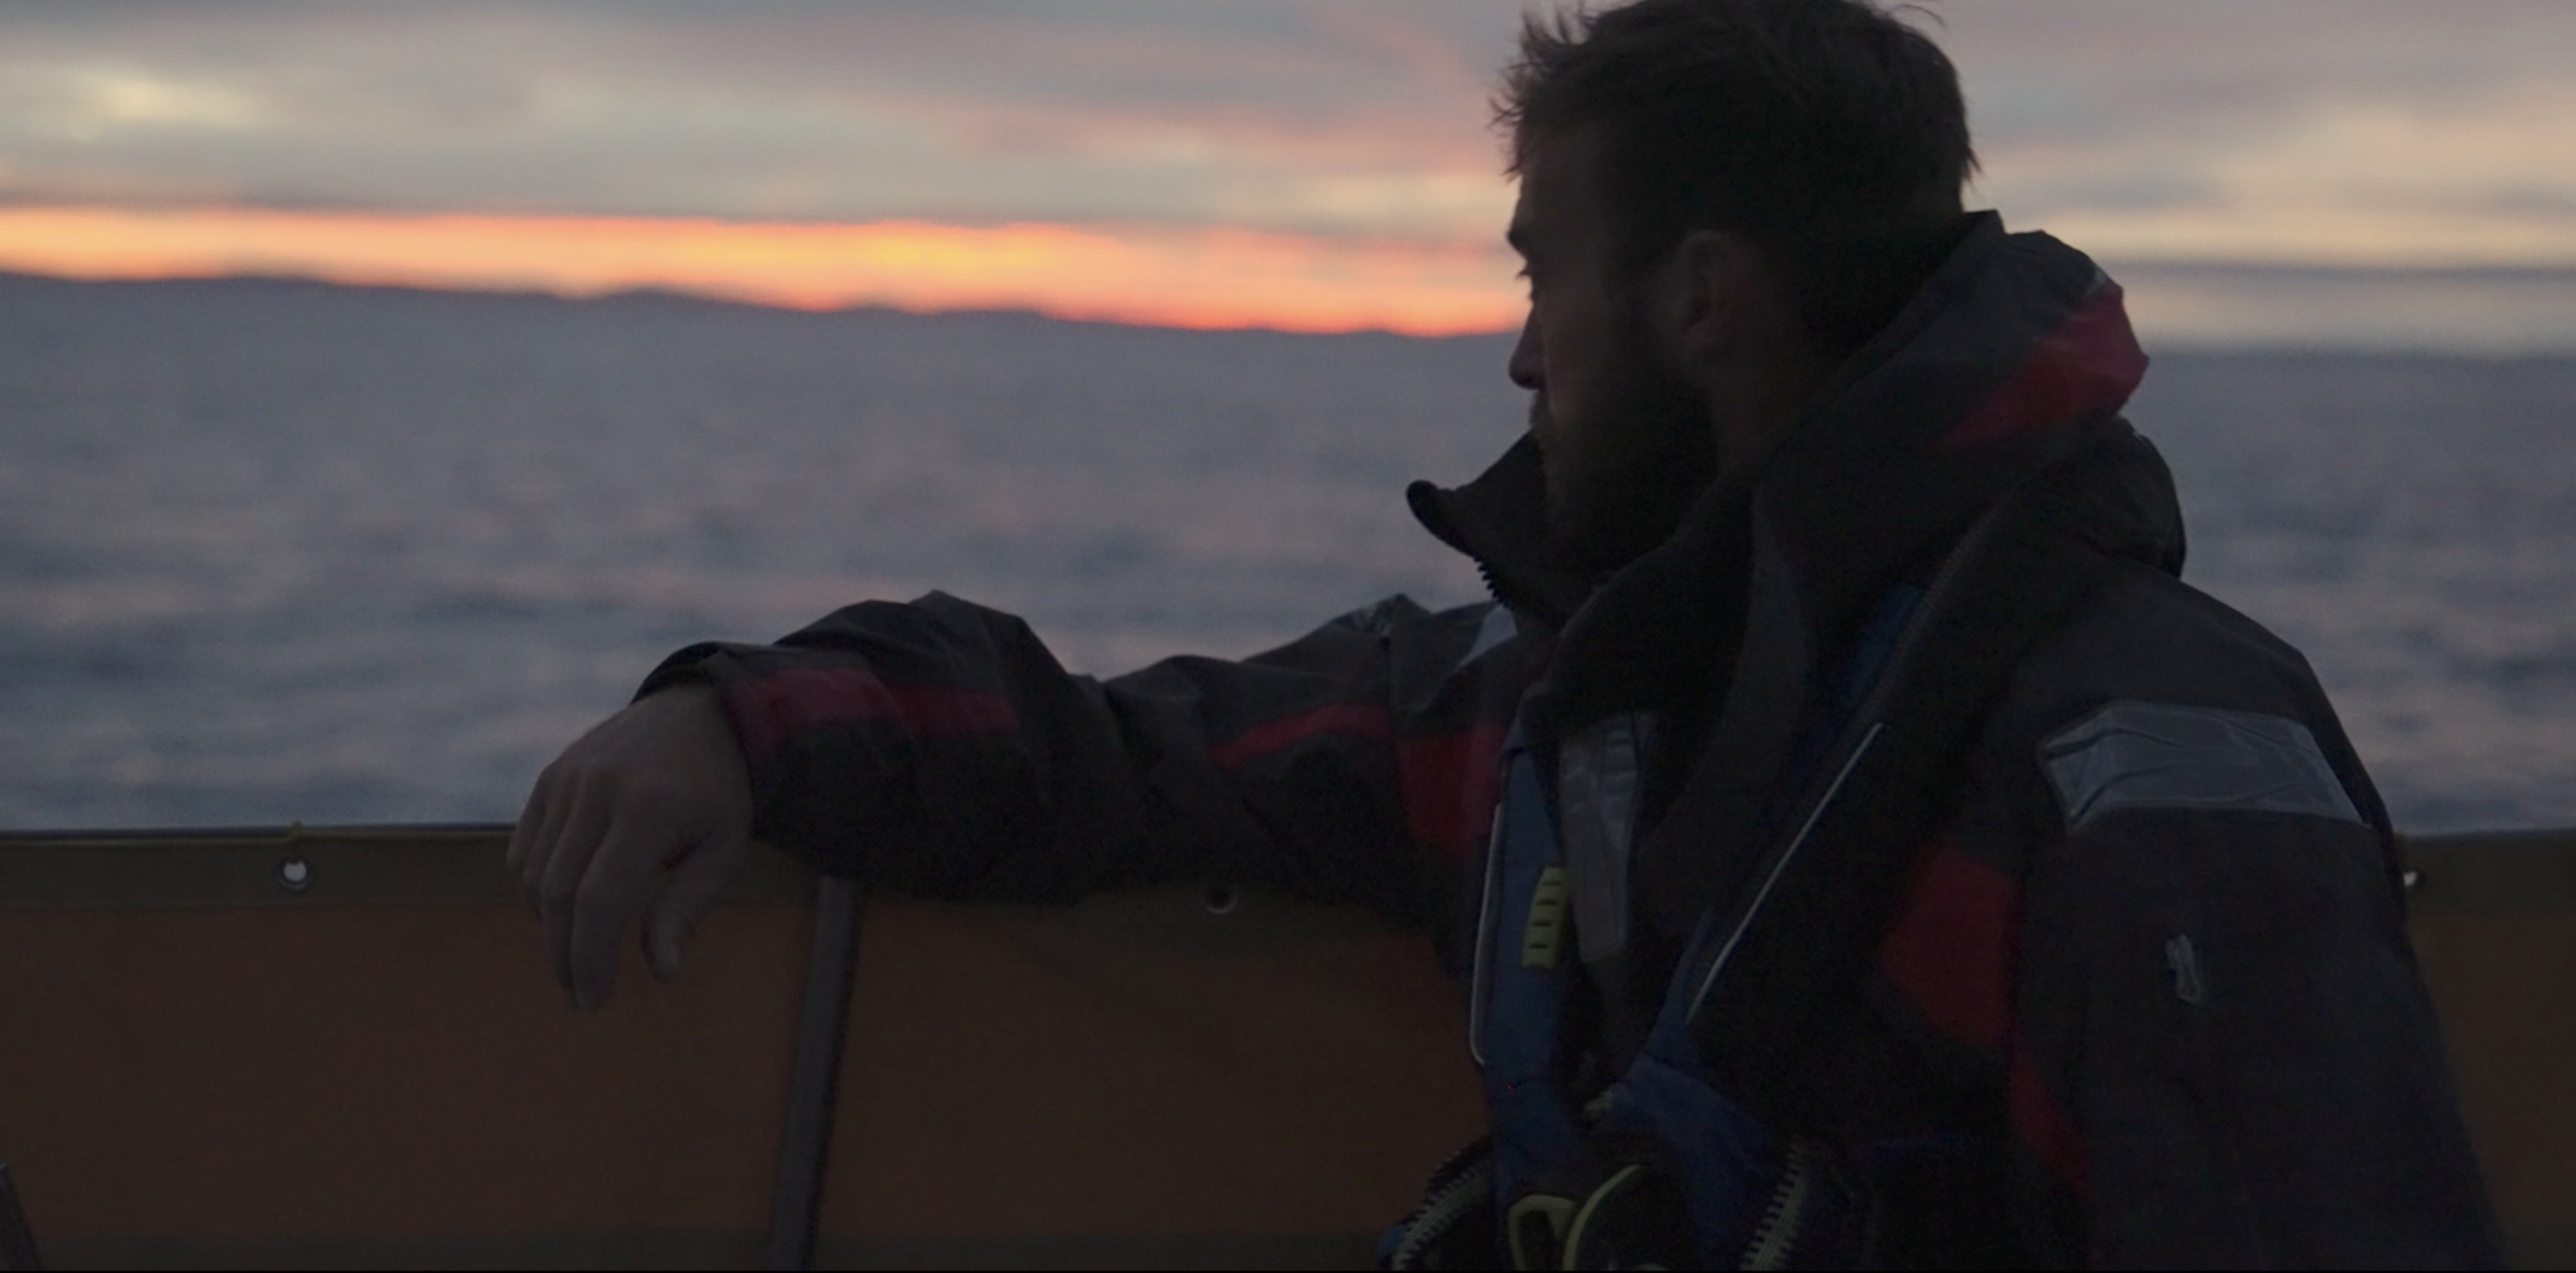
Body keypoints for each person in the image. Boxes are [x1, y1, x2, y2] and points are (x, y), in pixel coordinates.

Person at [507, 0, 2503, 1265]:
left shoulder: (2150, 766)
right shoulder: (1549, 696)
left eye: (1545, 275)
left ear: (1699, 297)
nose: (1521, 353)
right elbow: (1126, 753)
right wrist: (738, 723)